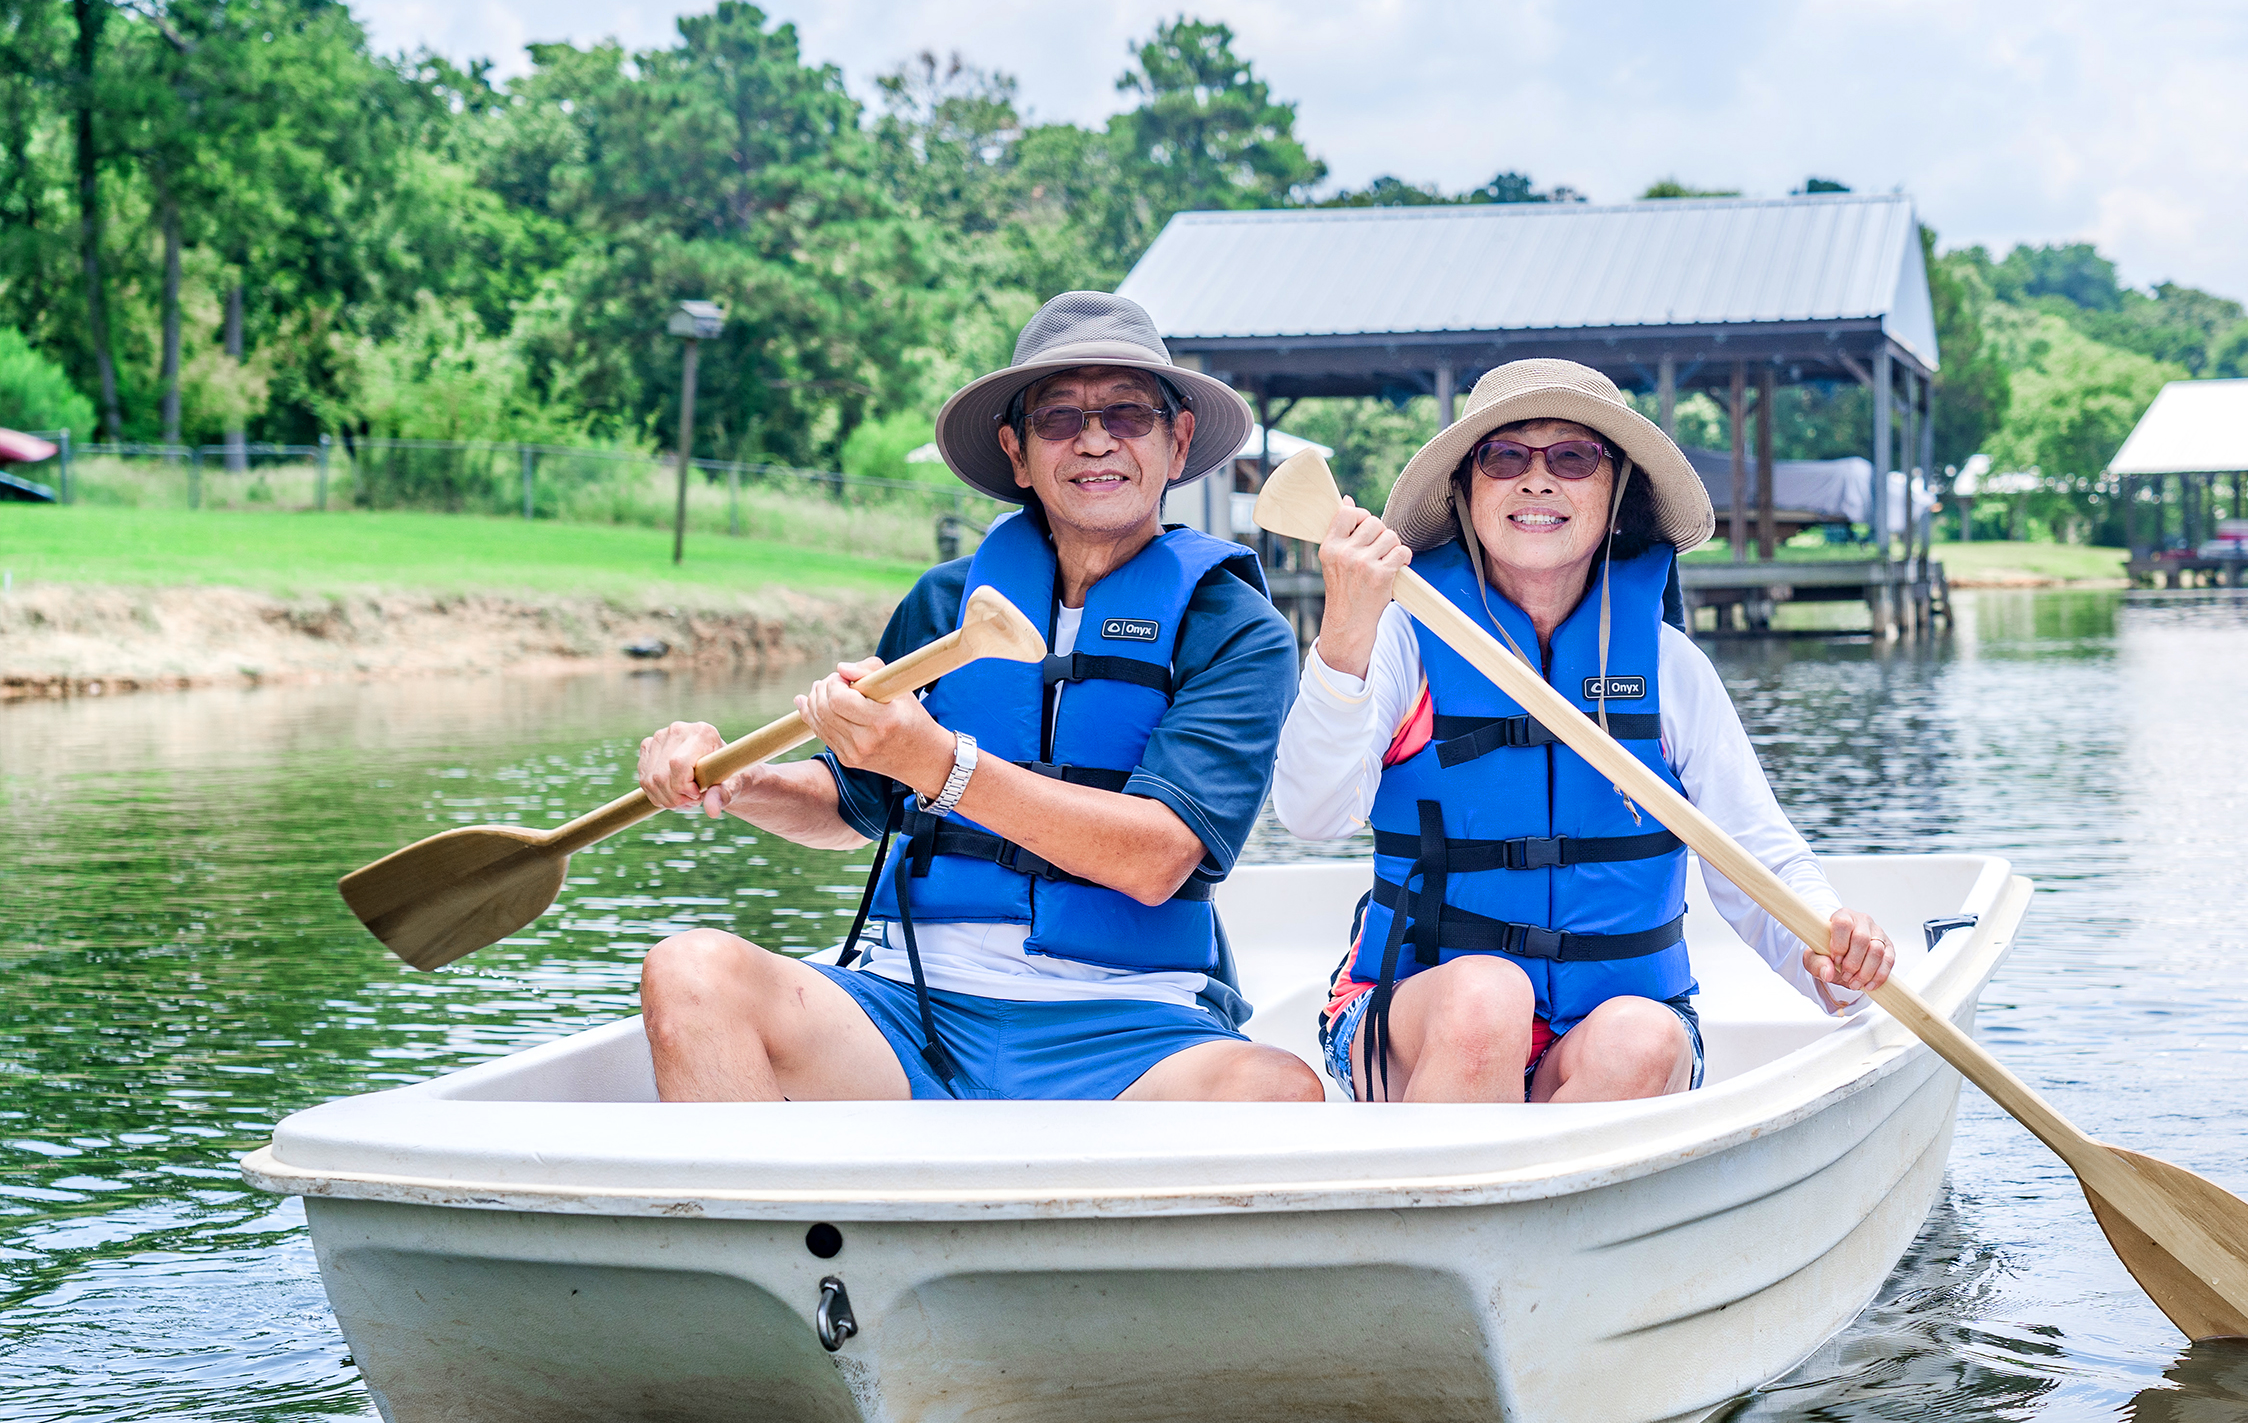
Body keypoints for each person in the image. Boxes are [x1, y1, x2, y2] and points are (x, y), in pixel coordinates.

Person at [633, 292, 1320, 1105]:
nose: (1096, 438)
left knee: (1275, 1092)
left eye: (1128, 415)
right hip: (910, 1011)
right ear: (1018, 453)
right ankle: (783, 1233)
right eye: (1060, 419)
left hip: (1130, 1026)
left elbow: (1155, 857)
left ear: (1177, 443)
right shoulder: (944, 604)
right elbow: (855, 805)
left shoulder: (1236, 628)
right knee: (689, 971)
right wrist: (738, 781)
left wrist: (937, 762)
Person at [1273, 358, 1897, 1105]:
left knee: (1641, 1037)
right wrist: (1344, 634)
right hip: (1419, 1016)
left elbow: (1755, 851)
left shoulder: (1668, 667)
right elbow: (1310, 816)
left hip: (1608, 1035)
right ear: (1468, 491)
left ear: (1616, 496)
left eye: (1572, 458)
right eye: (1505, 457)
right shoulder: (1402, 643)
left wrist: (1828, 950)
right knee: (1485, 1000)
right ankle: (1445, 1208)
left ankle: (1538, 1210)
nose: (1538, 482)